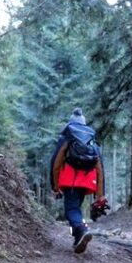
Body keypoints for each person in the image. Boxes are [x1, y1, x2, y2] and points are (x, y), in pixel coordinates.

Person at [50, 108, 106, 254]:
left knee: (71, 209)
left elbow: (56, 162)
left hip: (70, 179)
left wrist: (55, 185)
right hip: (87, 180)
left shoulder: (67, 137)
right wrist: (99, 194)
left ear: (71, 122)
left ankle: (82, 229)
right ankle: (78, 240)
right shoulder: (91, 139)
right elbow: (100, 167)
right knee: (76, 207)